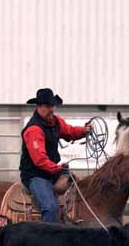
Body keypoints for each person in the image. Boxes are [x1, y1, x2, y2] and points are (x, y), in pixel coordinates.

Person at [19, 88, 91, 222]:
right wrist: (59, 169)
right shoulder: (34, 129)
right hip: (35, 175)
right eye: (47, 106)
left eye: (52, 105)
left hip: (51, 172)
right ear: (39, 107)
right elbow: (40, 161)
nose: (51, 109)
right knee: (50, 207)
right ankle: (48, 240)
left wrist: (84, 130)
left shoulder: (56, 121)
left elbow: (70, 131)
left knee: (79, 194)